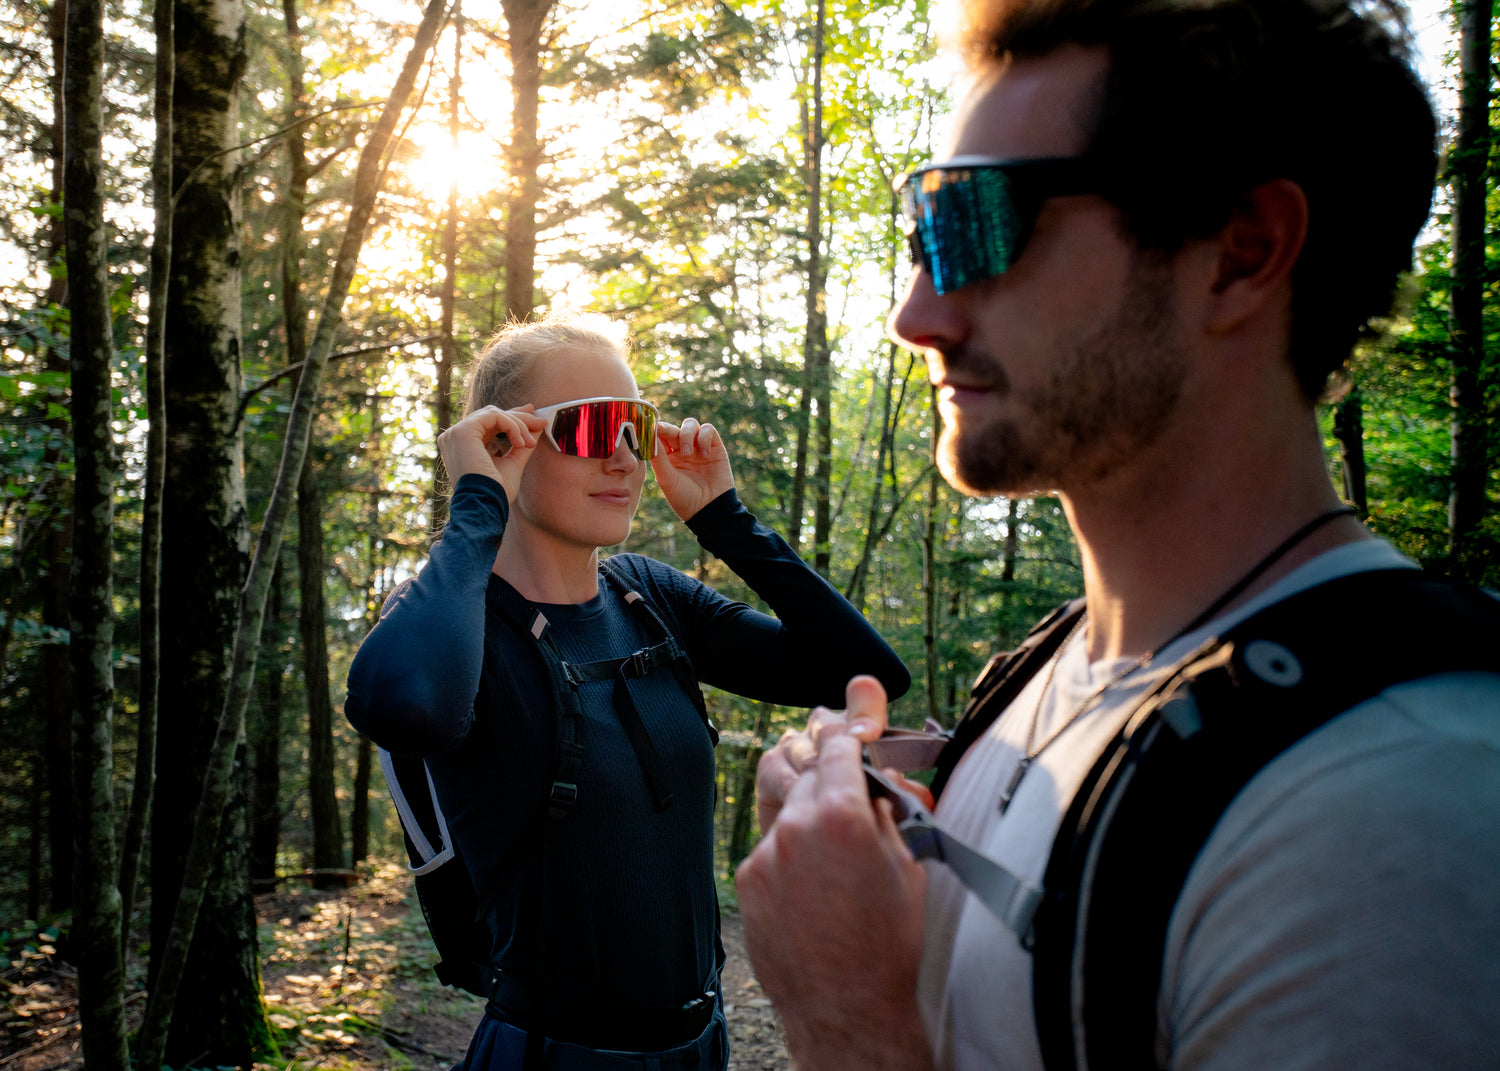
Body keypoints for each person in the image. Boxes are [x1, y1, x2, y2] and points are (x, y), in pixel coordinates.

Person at [734, 0, 1500, 1068]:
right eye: (925, 234)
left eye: (978, 222)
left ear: (1240, 253)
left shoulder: (1393, 827)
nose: (918, 315)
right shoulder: (1060, 667)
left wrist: (850, 1023)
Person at [344, 312, 910, 1070]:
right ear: (503, 442)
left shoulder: (650, 596)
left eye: (634, 426)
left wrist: (724, 519)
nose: (620, 455)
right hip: (549, 1054)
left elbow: (864, 676)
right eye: (587, 428)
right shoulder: (455, 624)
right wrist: (476, 504)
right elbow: (406, 705)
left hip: (702, 1047)